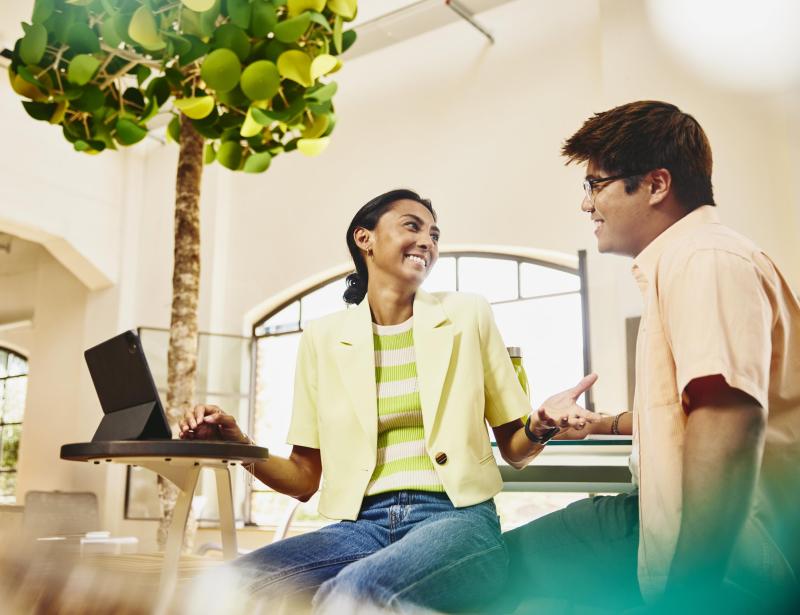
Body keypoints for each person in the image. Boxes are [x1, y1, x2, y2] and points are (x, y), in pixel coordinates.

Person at [179, 189, 599, 613]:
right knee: (225, 584)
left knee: (354, 593)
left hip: (456, 519)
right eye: (412, 227)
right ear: (366, 239)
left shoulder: (468, 315)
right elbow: (304, 479)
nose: (428, 243)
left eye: (434, 235)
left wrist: (540, 424)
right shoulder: (323, 339)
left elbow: (514, 448)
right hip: (359, 527)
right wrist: (237, 444)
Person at [502, 101, 800, 614]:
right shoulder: (685, 262)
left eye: (596, 184)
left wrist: (691, 594)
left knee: (497, 571)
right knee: (507, 567)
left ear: (657, 185)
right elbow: (690, 411)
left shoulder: (705, 258)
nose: (586, 204)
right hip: (658, 522)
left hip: (733, 565)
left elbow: (726, 420)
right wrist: (601, 423)